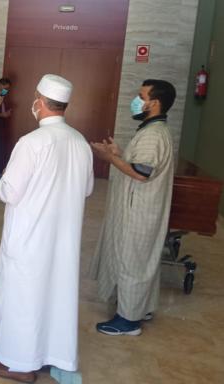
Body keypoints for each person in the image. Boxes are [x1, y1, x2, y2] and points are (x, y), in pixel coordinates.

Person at [0, 74, 93, 383]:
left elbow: (9, 192)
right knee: (54, 295)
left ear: (40, 102)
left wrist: (6, 174)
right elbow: (86, 189)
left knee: (24, 295)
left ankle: (19, 363)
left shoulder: (31, 142)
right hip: (63, 238)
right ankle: (48, 354)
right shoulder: (79, 141)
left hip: (30, 236)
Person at [90, 79, 176, 336]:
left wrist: (109, 158)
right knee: (142, 260)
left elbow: (141, 173)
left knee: (131, 261)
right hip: (142, 206)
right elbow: (142, 164)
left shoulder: (152, 135)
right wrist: (120, 152)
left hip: (139, 209)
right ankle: (141, 307)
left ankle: (128, 321)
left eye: (141, 96)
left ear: (155, 103)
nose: (136, 100)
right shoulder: (153, 129)